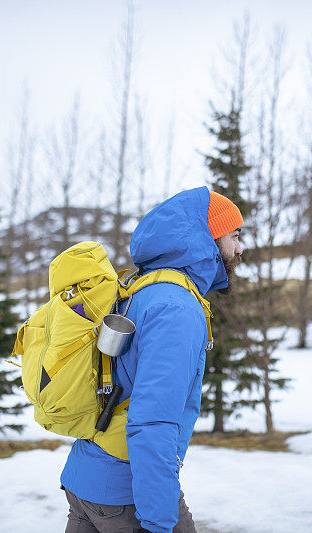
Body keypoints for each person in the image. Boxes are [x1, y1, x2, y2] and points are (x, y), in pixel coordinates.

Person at [60, 186, 243, 533]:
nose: (240, 249)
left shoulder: (142, 287)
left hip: (86, 479)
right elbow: (153, 422)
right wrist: (158, 523)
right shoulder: (176, 308)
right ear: (207, 238)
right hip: (124, 494)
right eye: (234, 236)